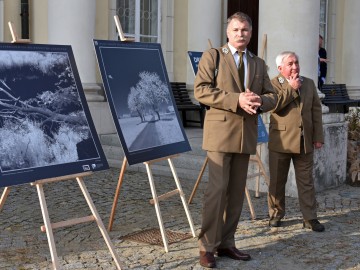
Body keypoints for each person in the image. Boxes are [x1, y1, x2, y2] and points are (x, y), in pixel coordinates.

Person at [194, 12, 277, 268]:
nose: (241, 34)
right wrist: (236, 99)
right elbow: (201, 90)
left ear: (250, 34)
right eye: (236, 29)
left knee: (236, 194)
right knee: (216, 192)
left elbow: (272, 96)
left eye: (245, 30)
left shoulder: (259, 63)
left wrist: (259, 101)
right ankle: (207, 246)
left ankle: (227, 242)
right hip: (220, 134)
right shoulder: (214, 56)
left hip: (246, 135)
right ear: (228, 32)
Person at [267, 51, 325, 233]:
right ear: (280, 68)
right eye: (290, 63)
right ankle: (276, 214)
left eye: (296, 62)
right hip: (281, 141)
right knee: (277, 181)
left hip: (304, 141)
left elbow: (316, 111)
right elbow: (273, 106)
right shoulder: (272, 84)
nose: (295, 66)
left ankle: (310, 218)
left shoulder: (308, 83)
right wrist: (291, 88)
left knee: (306, 181)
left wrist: (318, 137)